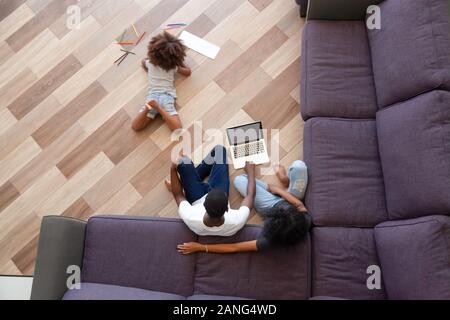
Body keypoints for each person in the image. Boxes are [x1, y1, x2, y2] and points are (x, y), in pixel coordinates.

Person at [177, 161, 311, 254]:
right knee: (299, 166)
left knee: (239, 180)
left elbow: (235, 247)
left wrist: (202, 247)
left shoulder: (269, 242)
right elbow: (299, 204)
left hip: (271, 204)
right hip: (285, 199)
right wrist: (279, 190)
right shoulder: (306, 220)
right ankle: (283, 181)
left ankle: (274, 187)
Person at [167, 145, 256, 236]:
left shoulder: (190, 216)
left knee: (183, 161)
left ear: (204, 205)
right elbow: (250, 196)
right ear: (227, 209)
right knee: (220, 150)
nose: (210, 189)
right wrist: (251, 172)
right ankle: (184, 183)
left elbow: (178, 195)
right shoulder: (236, 221)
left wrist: (173, 168)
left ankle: (182, 184)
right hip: (215, 195)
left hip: (197, 198)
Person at [131, 31, 192, 132]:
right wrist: (179, 62)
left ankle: (150, 108)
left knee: (136, 126)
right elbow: (188, 72)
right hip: (166, 97)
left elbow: (143, 62)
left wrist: (151, 63)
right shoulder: (173, 67)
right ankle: (159, 109)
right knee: (177, 128)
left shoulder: (149, 63)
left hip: (152, 97)